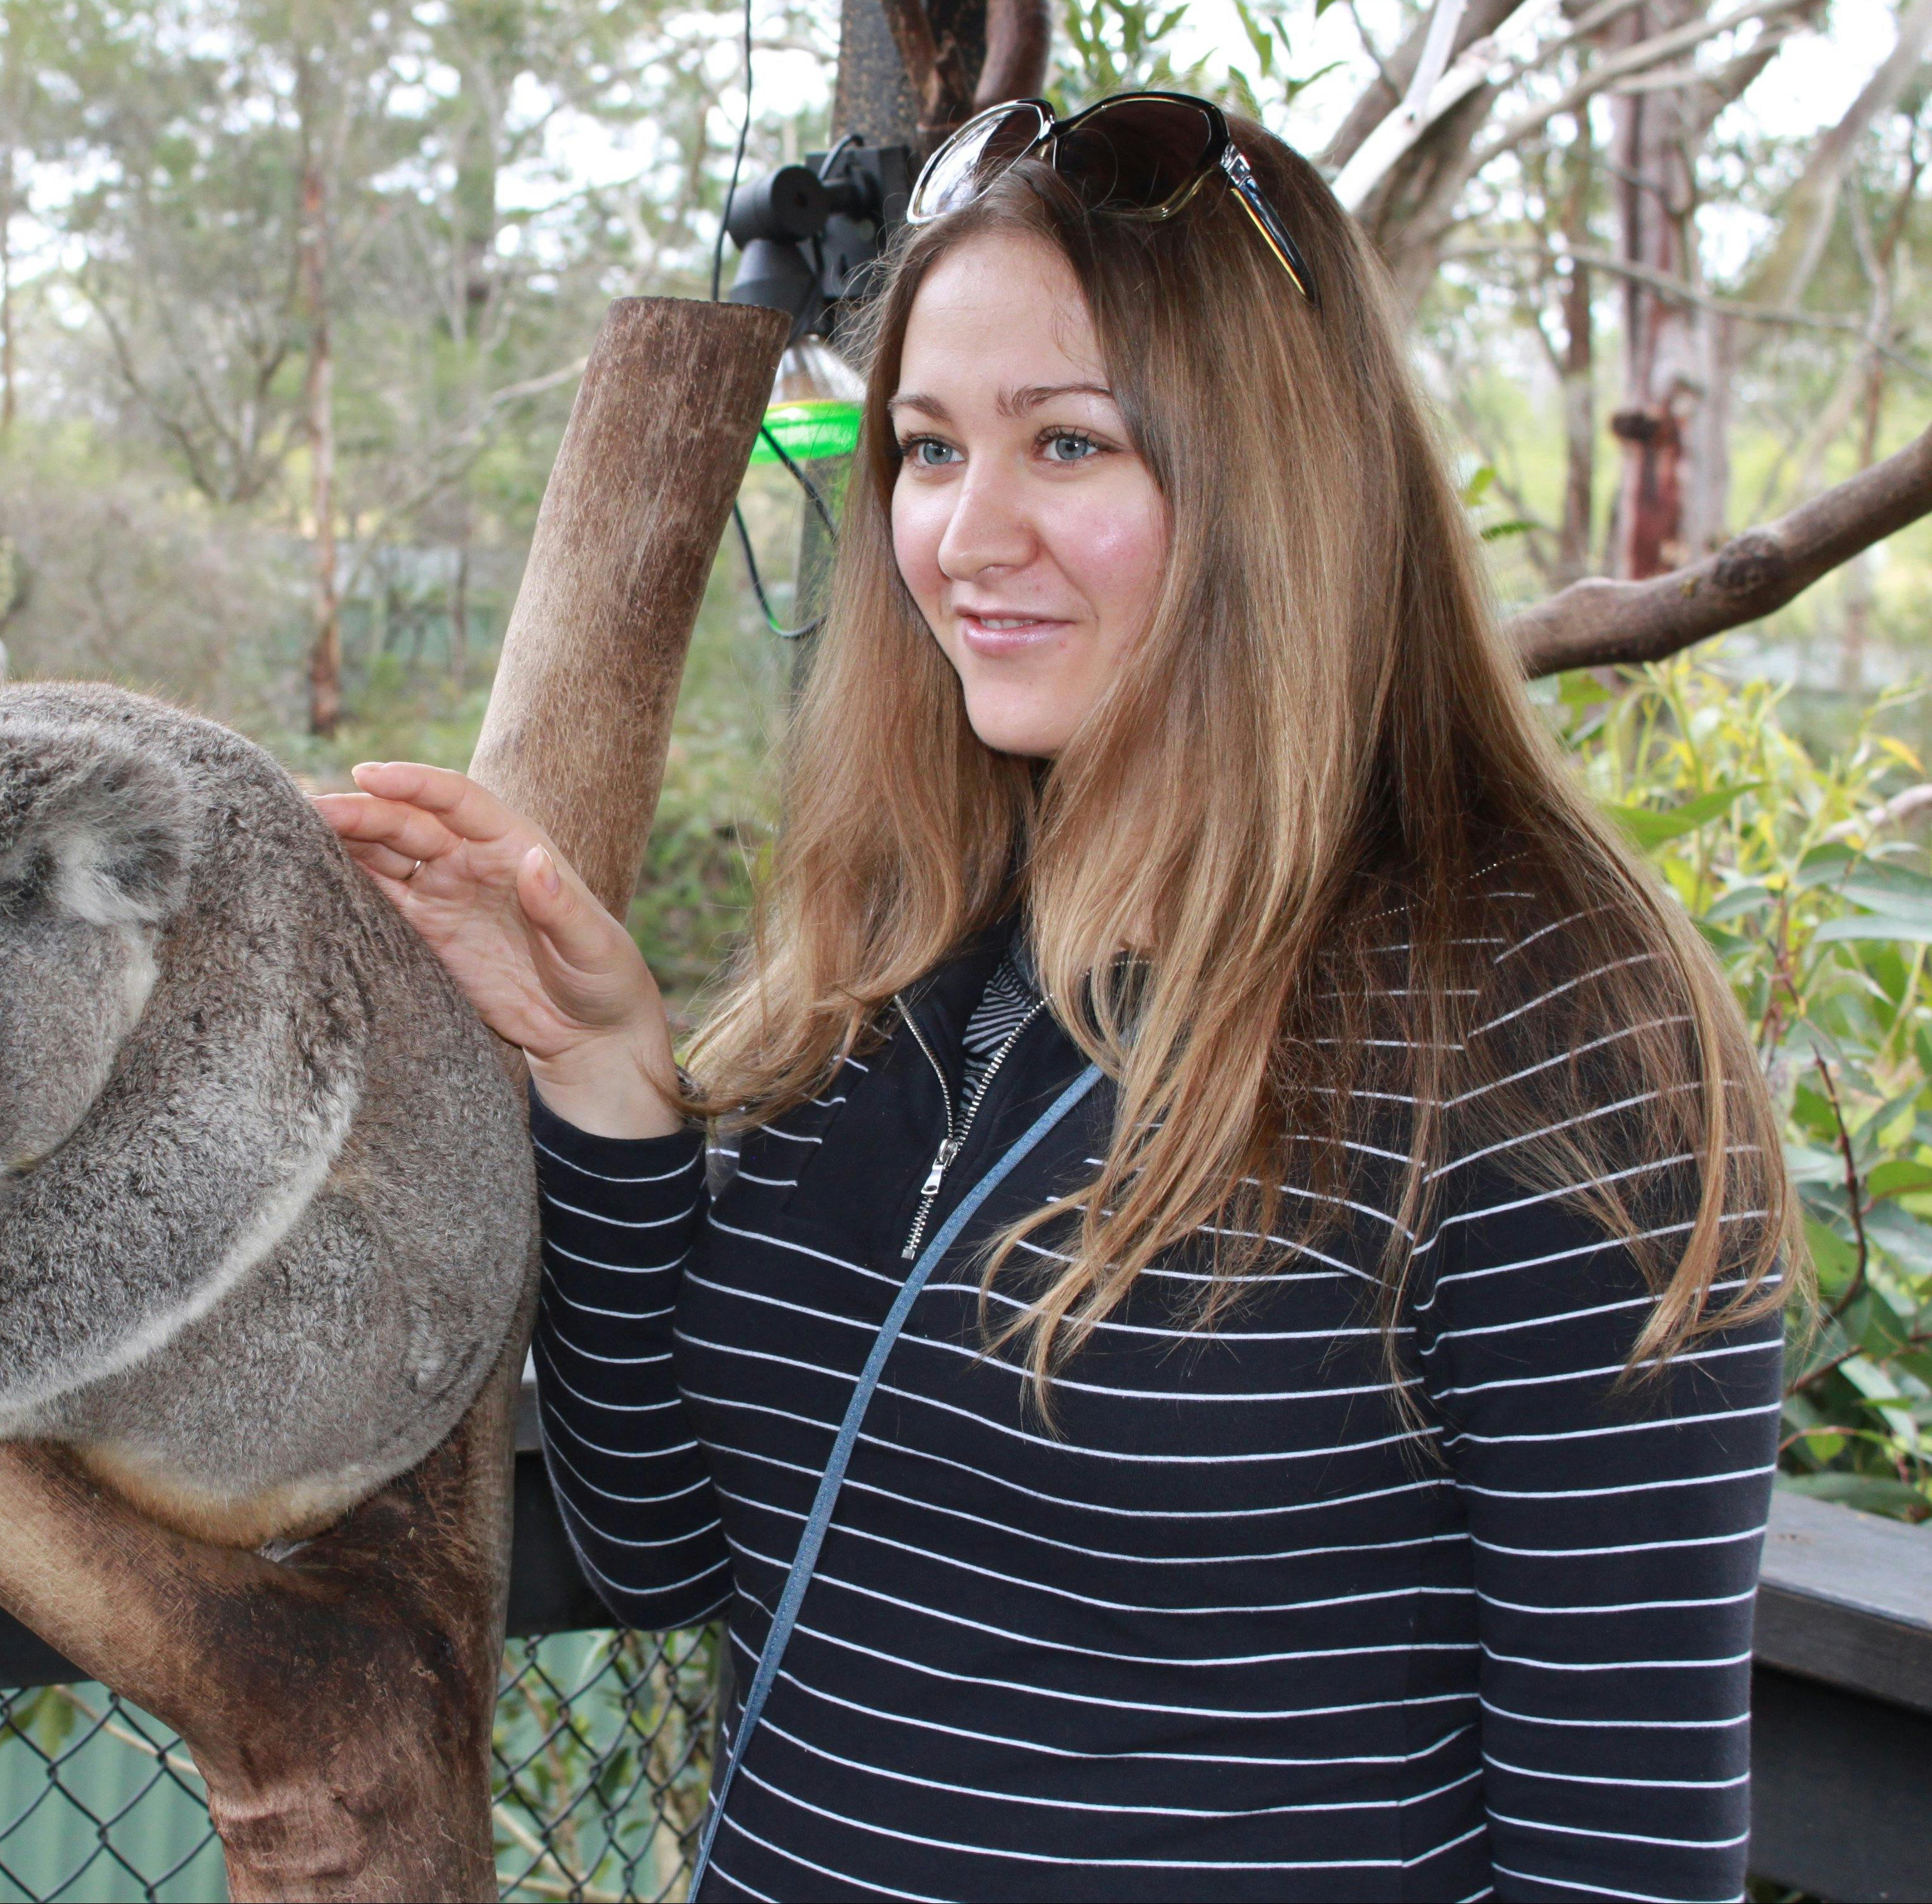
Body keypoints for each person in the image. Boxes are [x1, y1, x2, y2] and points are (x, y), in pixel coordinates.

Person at [316, 93, 1793, 1904]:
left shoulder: (1542, 1022)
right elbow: (670, 1543)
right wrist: (613, 1087)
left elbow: (1623, 1853)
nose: (966, 535)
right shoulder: (908, 942)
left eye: (1070, 445)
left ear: (1281, 481)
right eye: (928, 450)